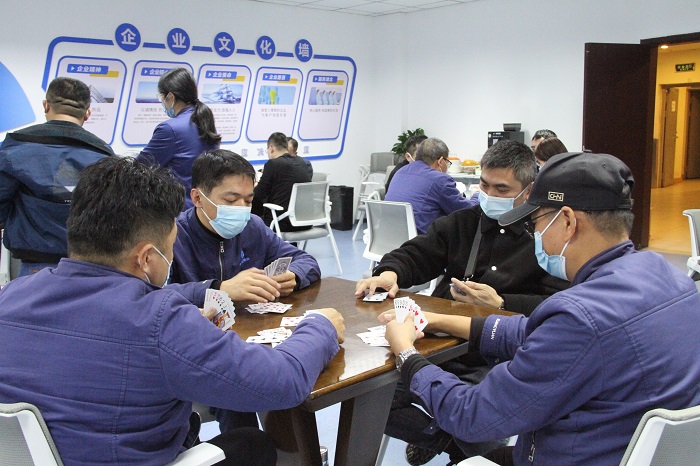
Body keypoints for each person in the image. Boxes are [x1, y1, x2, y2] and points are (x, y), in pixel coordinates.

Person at [0, 156, 345, 466]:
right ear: (147, 257)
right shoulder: (159, 319)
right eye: (169, 246)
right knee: (254, 445)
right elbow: (283, 382)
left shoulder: (11, 296)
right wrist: (320, 326)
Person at [381, 151, 700, 466]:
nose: (534, 234)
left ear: (567, 221)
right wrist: (440, 321)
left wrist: (407, 354)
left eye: (536, 223)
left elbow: (472, 415)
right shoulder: (669, 277)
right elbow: (540, 333)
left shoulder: (581, 315)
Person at [356, 139, 569, 465]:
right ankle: (447, 441)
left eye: (501, 189)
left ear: (527, 191)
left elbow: (558, 304)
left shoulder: (544, 237)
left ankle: (461, 439)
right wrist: (390, 272)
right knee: (371, 400)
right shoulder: (464, 222)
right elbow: (418, 253)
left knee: (481, 423)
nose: (489, 195)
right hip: (437, 343)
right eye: (484, 185)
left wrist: (502, 303)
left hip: (496, 357)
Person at [171, 149, 322, 433]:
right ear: (197, 198)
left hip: (252, 340)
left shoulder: (253, 227)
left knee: (290, 373)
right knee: (234, 391)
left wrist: (294, 276)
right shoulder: (174, 235)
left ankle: (289, 449)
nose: (241, 208)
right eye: (231, 200)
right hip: (199, 347)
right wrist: (218, 289)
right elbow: (152, 295)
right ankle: (249, 446)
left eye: (248, 200)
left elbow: (306, 261)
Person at [0, 77, 114, 276]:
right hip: (87, 267)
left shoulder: (15, 147)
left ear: (46, 105)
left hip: (34, 266)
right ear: (87, 113)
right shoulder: (105, 155)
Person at [136, 67, 221, 210]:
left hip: (177, 209)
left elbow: (139, 168)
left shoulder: (169, 129)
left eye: (162, 97)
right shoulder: (205, 121)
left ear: (170, 97)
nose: (162, 102)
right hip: (201, 208)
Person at [385, 137, 478, 234]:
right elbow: (467, 212)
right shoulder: (440, 179)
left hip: (391, 235)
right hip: (422, 239)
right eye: (447, 162)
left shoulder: (400, 172)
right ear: (441, 161)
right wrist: (477, 195)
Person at [253, 132, 312, 232]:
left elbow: (259, 193)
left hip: (280, 222)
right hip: (306, 221)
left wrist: (255, 186)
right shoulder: (302, 162)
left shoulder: (273, 164)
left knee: (252, 209)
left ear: (271, 148)